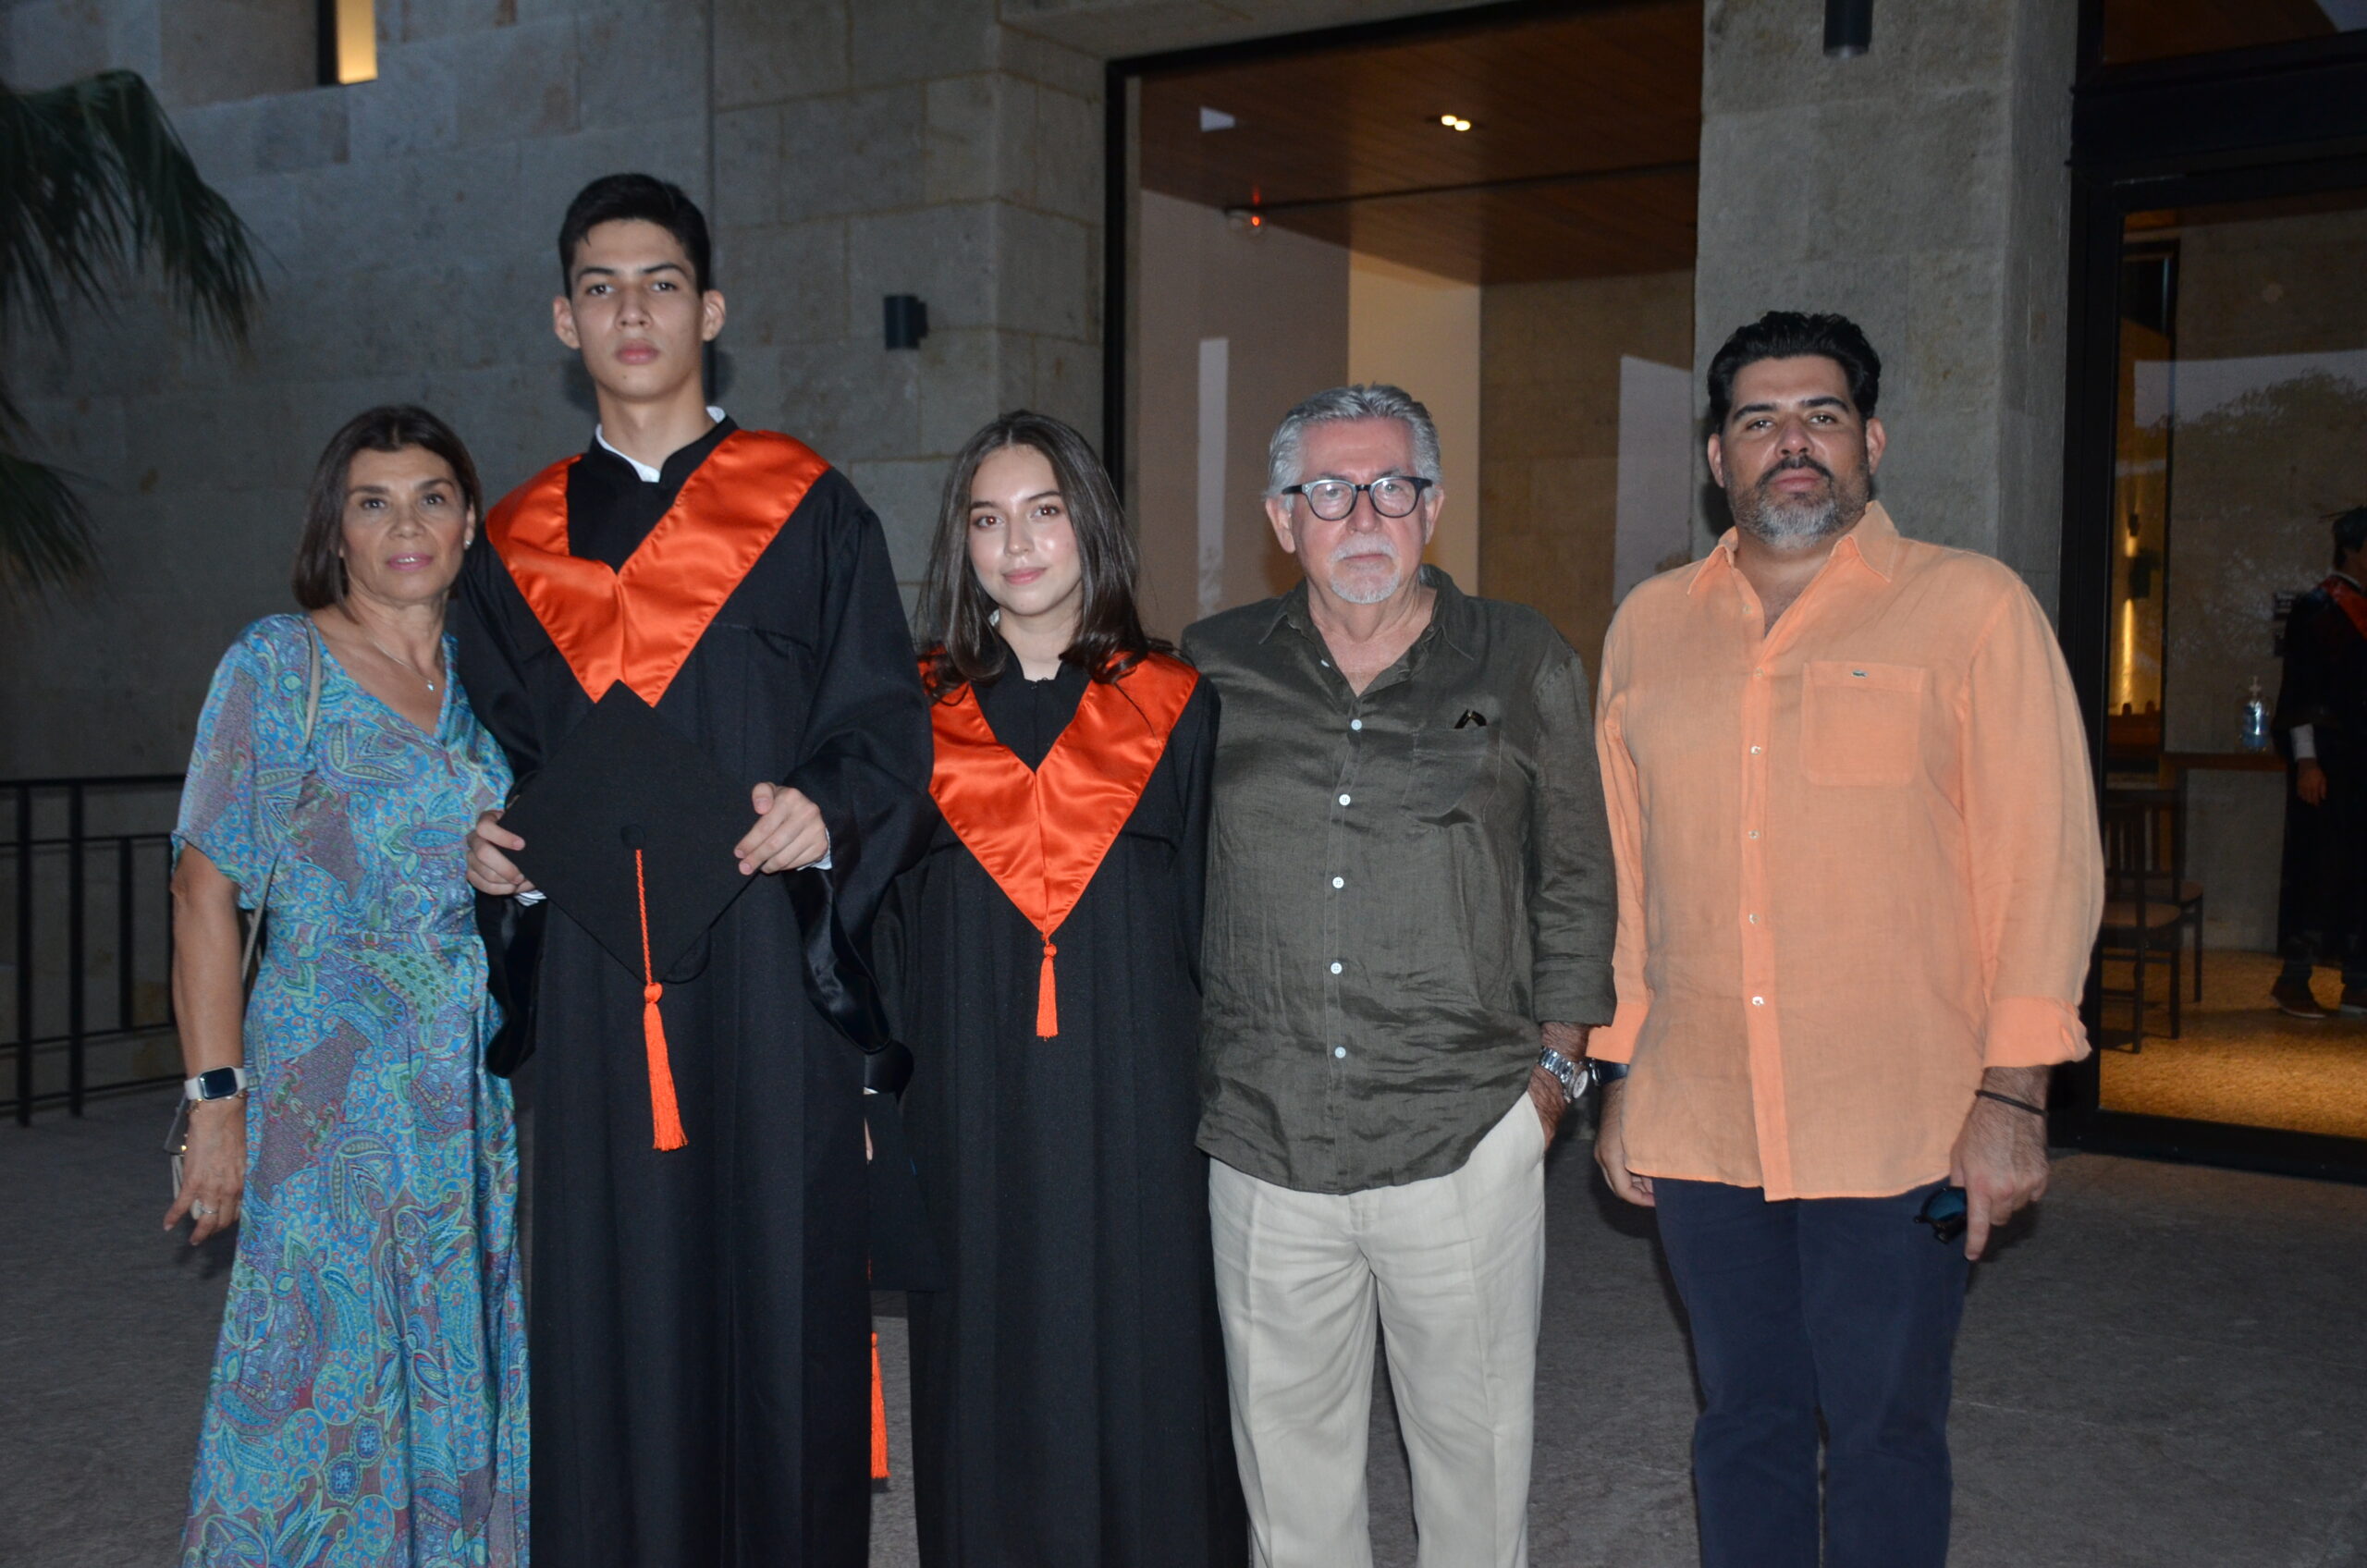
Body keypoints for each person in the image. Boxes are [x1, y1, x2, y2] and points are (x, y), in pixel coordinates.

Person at [452, 173, 931, 1566]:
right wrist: (498, 852)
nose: (632, 310)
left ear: (709, 310)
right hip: (601, 981)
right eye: (599, 286)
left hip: (772, 967)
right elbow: (495, 752)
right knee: (610, 1291)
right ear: (564, 320)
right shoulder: (513, 545)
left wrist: (827, 810)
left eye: (660, 282)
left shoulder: (809, 510)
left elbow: (882, 724)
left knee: (784, 1278)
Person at [1590, 311, 2104, 1568]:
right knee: (1742, 1420)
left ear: (1870, 441)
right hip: (1703, 1120)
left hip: (1910, 1130)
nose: (1791, 443)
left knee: (1888, 1426)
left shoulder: (1973, 608)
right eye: (1758, 420)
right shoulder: (1647, 627)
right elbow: (1628, 877)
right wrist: (1622, 1075)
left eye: (1820, 415)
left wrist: (2013, 1097)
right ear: (1717, 455)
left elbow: (2045, 863)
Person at [1183, 384, 1614, 1568]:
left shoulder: (1521, 657)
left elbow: (1577, 875)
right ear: (1282, 518)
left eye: (1391, 486)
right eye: (1328, 490)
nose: (1362, 515)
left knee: (1475, 1466)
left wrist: (1554, 1081)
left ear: (1433, 506)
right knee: (1288, 1485)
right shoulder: (1208, 668)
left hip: (1463, 1127)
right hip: (1265, 1136)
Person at [877, 410, 1245, 1568]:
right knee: (981, 1348)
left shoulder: (1175, 704)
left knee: (1151, 1348)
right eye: (987, 520)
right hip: (969, 1099)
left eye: (1043, 512)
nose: (1017, 545)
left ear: (1088, 523)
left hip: (1140, 1100)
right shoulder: (908, 714)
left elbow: (1212, 921)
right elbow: (880, 928)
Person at [168, 406, 527, 1564]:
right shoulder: (279, 665)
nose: (405, 526)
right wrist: (217, 1103)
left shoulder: (492, 677)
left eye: (431, 498)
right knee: (316, 1368)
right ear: (337, 531)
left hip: (465, 1083)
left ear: (468, 522)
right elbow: (203, 890)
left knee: (456, 1345)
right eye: (373, 503)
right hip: (326, 1086)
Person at [2268, 505, 2367, 1019]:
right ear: (2351, 548)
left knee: (2361, 870)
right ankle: (2294, 979)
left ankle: (2358, 981)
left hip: (2362, 765)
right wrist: (2306, 761)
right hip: (2326, 765)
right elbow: (2301, 691)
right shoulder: (2318, 607)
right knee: (2318, 868)